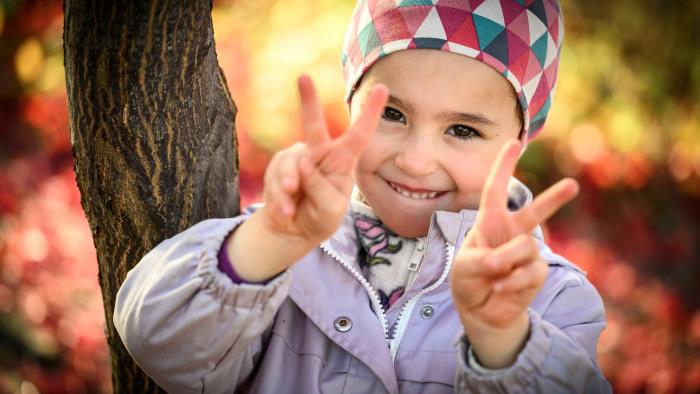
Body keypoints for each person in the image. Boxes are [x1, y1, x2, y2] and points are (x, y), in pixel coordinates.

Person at [113, 0, 611, 392]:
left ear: (519, 142)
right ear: (352, 104)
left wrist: (502, 337)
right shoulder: (286, 247)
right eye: (392, 115)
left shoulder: (550, 298)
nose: (416, 161)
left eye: (461, 130)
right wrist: (270, 242)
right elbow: (157, 344)